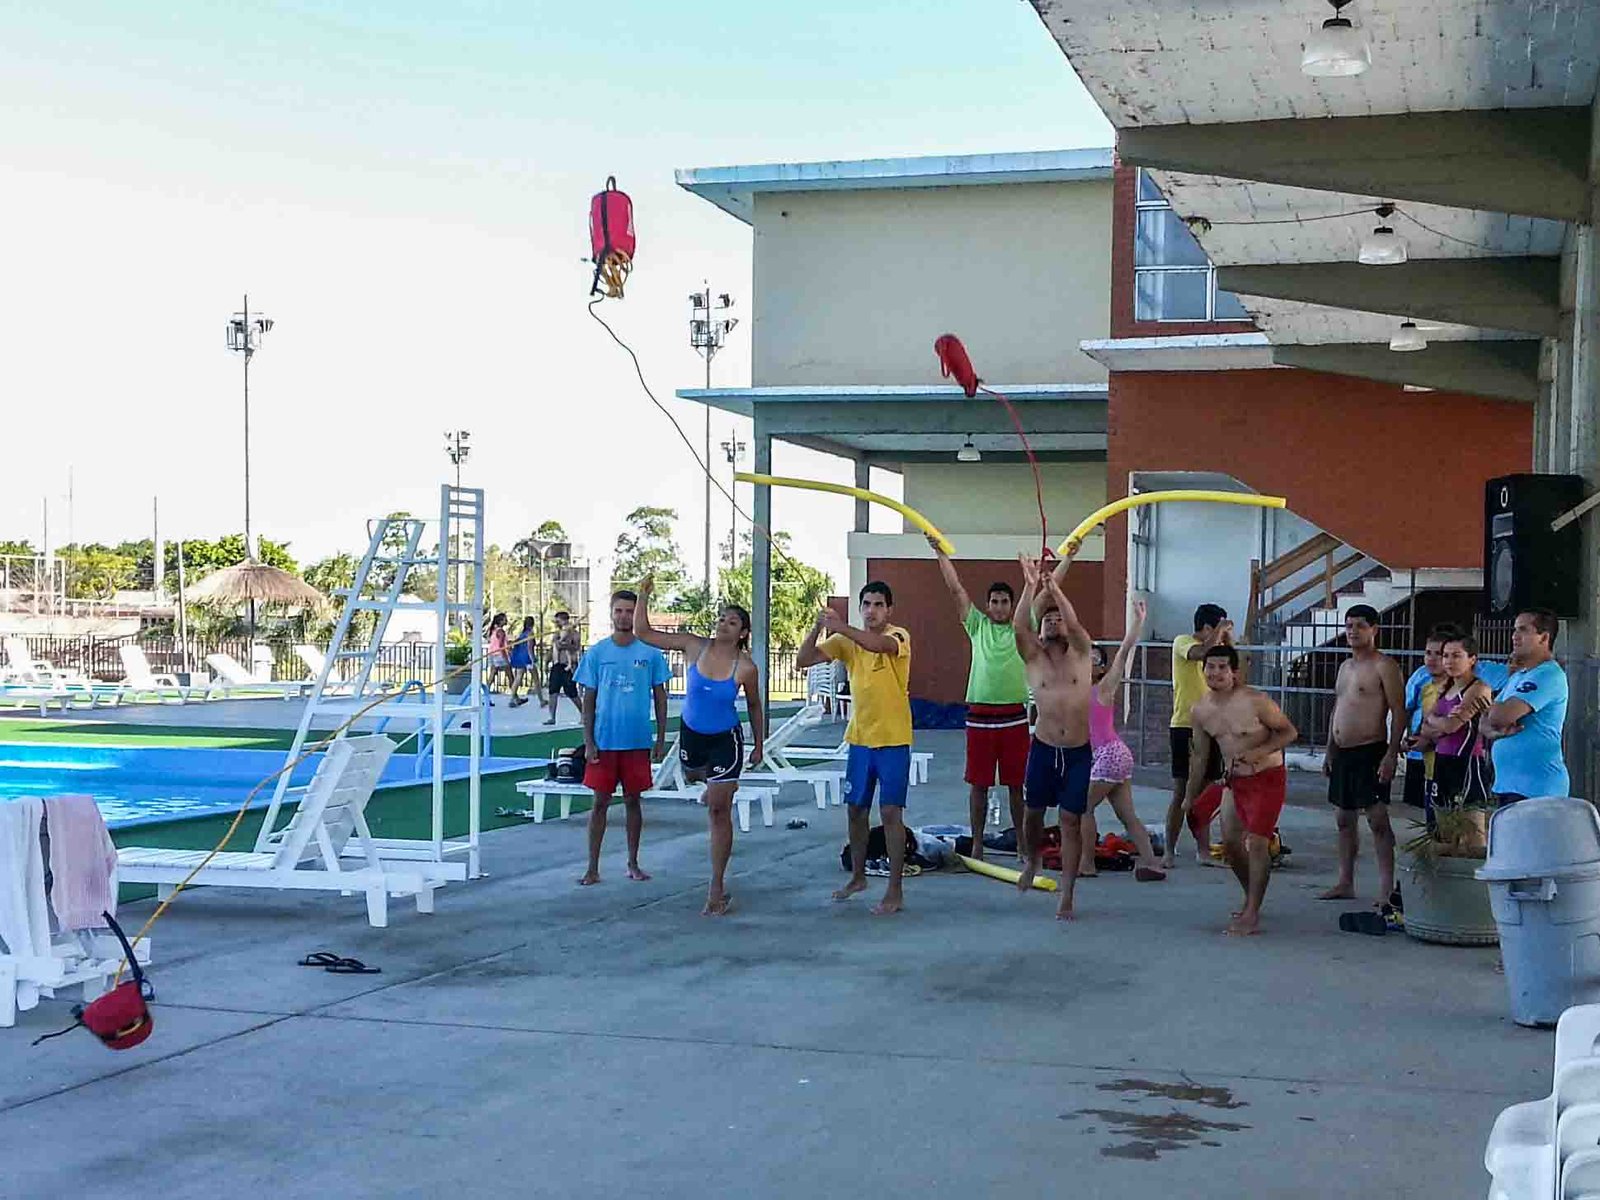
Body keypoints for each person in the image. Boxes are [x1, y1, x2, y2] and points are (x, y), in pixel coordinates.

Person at [634, 575, 764, 916]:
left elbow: (754, 707)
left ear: (743, 633)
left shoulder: (746, 668)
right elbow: (645, 634)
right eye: (721, 618)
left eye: (732, 622)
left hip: (726, 740)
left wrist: (759, 744)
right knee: (692, 774)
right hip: (692, 736)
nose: (723, 624)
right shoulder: (694, 645)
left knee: (718, 809)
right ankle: (710, 783)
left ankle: (716, 888)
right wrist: (642, 596)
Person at [796, 582, 913, 917]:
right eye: (866, 604)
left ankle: (895, 888)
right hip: (860, 739)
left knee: (891, 813)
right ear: (860, 607)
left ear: (889, 609)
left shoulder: (899, 636)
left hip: (893, 739)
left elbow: (878, 645)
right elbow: (804, 660)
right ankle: (859, 877)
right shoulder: (846, 640)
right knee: (855, 810)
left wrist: (841, 626)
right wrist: (819, 627)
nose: (872, 610)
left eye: (878, 604)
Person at [926, 534, 1029, 862]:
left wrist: (1032, 581)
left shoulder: (1021, 629)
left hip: (1014, 715)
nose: (999, 606)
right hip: (980, 717)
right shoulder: (977, 626)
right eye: (994, 601)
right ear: (988, 605)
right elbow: (956, 590)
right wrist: (940, 553)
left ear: (1012, 606)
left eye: (1004, 601)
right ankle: (979, 845)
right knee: (979, 786)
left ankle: (1024, 845)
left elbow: (1035, 601)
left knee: (1016, 787)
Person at [1184, 645, 1298, 935]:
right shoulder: (1200, 710)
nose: (1216, 673)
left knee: (1257, 843)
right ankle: (1252, 898)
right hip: (1234, 780)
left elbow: (1289, 732)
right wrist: (1189, 795)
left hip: (1267, 776)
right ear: (1203, 670)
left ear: (1234, 672)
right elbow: (1198, 756)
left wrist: (1260, 752)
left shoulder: (1255, 700)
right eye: (1211, 667)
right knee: (1231, 845)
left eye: (1223, 667)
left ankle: (1252, 913)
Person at [1012, 554, 1095, 920]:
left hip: (1077, 751)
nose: (1054, 621)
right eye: (1047, 619)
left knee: (1070, 821)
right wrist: (1031, 586)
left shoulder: (1081, 653)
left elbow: (1074, 624)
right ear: (1039, 629)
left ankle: (1068, 891)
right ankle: (1032, 860)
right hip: (1044, 748)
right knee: (1032, 815)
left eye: (1058, 617)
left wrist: (1055, 590)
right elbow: (1018, 626)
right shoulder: (1033, 658)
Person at [575, 590, 671, 886]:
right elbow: (588, 698)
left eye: (630, 611)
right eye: (619, 611)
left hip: (637, 741)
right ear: (611, 613)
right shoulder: (597, 653)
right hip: (604, 742)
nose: (624, 616)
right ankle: (592, 867)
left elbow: (660, 696)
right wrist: (589, 741)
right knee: (599, 802)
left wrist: (660, 739)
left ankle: (633, 862)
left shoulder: (650, 653)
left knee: (633, 801)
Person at [1320, 604, 1406, 907]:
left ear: (1374, 629)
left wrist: (1391, 754)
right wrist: (1330, 749)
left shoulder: (1385, 666)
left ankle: (1386, 889)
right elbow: (1338, 708)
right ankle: (1345, 881)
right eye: (1349, 626)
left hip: (1371, 750)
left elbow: (1399, 711)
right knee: (1343, 818)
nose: (1353, 631)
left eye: (1360, 625)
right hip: (1342, 751)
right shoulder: (1345, 667)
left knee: (1378, 820)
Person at [1078, 598, 1166, 881]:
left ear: (1101, 668)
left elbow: (1124, 652)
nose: (1086, 663)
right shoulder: (1076, 690)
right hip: (1113, 756)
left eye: (1093, 660)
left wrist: (1138, 622)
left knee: (1083, 807)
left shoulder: (1104, 688)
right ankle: (1153, 864)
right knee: (1127, 816)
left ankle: (1087, 864)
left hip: (1110, 754)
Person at [1163, 603, 1232, 869]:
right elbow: (1200, 652)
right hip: (1185, 725)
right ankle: (1169, 850)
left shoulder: (1218, 654)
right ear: (1206, 628)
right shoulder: (1183, 642)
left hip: (1212, 726)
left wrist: (1229, 640)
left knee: (1204, 792)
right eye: (1218, 628)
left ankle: (1203, 850)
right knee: (1182, 790)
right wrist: (1220, 632)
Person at [1482, 608, 1570, 803]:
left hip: (1536, 788)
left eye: (1523, 630)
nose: (1514, 636)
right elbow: (1484, 723)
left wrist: (1495, 713)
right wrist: (1494, 727)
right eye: (1515, 630)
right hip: (1509, 785)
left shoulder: (1547, 674)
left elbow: (1498, 716)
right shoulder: (1519, 676)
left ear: (1544, 637)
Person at [1414, 633, 1496, 825]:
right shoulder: (1447, 688)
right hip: (1442, 762)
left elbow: (1451, 726)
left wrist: (1438, 723)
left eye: (1456, 655)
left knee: (1470, 830)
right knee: (1442, 828)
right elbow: (1425, 727)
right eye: (1446, 656)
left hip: (1466, 763)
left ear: (1472, 659)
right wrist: (1439, 723)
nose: (1449, 661)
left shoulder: (1478, 688)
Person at [1400, 626, 1455, 812]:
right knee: (1432, 826)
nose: (1431, 659)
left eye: (1439, 654)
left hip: (1455, 769)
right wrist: (1413, 738)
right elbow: (1421, 722)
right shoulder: (1426, 688)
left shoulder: (1466, 690)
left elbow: (1459, 729)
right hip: (1430, 768)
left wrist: (1429, 739)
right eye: (1428, 653)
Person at [544, 611, 582, 725]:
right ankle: (552, 717)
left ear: (564, 620)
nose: (556, 623)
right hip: (557, 664)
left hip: (568, 665)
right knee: (553, 690)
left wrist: (565, 644)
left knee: (571, 691)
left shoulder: (575, 634)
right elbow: (555, 647)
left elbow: (576, 647)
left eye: (558, 621)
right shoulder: (557, 634)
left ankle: (583, 713)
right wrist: (547, 661)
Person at [508, 616, 539, 708]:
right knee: (536, 678)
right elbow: (529, 648)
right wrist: (533, 660)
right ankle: (541, 699)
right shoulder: (530, 634)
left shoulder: (522, 634)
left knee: (518, 677)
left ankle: (512, 698)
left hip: (519, 658)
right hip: (527, 658)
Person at [485, 612, 511, 698]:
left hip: (492, 654)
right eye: (504, 619)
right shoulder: (501, 631)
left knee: (492, 675)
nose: (506, 620)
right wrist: (506, 657)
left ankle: (486, 694)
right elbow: (501, 645)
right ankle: (515, 696)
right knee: (510, 675)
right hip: (499, 655)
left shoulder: (494, 630)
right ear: (500, 621)